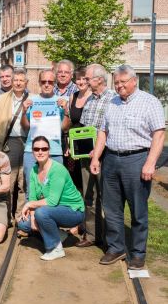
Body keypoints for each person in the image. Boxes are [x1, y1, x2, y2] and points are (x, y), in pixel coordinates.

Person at [91, 65, 165, 269]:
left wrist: (150, 163)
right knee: (112, 208)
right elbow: (103, 132)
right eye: (116, 82)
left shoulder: (149, 102)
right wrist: (96, 158)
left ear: (134, 81)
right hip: (111, 160)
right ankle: (116, 248)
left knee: (138, 209)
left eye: (123, 82)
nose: (119, 86)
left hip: (137, 159)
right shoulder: (112, 102)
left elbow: (159, 134)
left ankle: (138, 253)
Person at [17, 136, 85, 261]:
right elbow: (32, 197)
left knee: (41, 212)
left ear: (49, 151)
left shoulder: (57, 169)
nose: (40, 152)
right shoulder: (34, 170)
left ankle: (55, 248)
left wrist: (30, 206)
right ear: (32, 151)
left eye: (44, 148)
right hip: (53, 210)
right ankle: (60, 235)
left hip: (73, 211)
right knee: (23, 224)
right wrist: (32, 219)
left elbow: (52, 201)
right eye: (36, 149)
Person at [76, 64, 115, 248]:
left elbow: (113, 130)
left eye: (88, 78)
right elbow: (83, 128)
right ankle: (91, 235)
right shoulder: (90, 100)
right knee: (88, 194)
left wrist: (98, 151)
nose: (85, 81)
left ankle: (109, 238)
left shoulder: (113, 100)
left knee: (106, 197)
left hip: (105, 156)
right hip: (86, 156)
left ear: (99, 79)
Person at [21, 70, 70, 193]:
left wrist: (66, 110)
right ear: (39, 83)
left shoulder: (62, 101)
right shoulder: (31, 100)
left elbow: (65, 128)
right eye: (44, 82)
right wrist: (23, 111)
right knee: (31, 189)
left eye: (50, 82)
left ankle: (49, 213)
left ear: (55, 83)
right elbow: (25, 127)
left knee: (55, 189)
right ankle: (31, 212)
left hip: (54, 151)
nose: (47, 84)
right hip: (32, 151)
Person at [0, 68, 28, 223]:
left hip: (28, 143)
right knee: (9, 180)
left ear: (26, 82)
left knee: (24, 182)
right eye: (16, 80)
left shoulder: (32, 98)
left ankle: (21, 216)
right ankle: (6, 216)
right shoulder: (2, 98)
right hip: (9, 143)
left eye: (21, 80)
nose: (18, 83)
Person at [63, 67, 92, 193]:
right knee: (74, 178)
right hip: (75, 144)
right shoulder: (72, 97)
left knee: (88, 179)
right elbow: (70, 122)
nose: (80, 82)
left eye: (84, 79)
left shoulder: (93, 97)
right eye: (78, 79)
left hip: (89, 143)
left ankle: (91, 209)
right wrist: (69, 145)